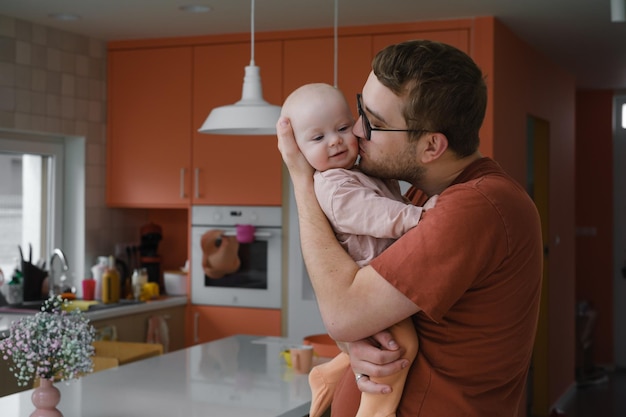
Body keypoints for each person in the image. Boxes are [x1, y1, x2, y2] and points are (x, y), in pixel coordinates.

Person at [277, 39, 543, 416]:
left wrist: (303, 181)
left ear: (432, 146)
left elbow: (343, 313)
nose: (355, 130)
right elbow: (355, 316)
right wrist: (354, 344)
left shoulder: (475, 208)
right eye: (359, 111)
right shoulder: (419, 197)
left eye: (375, 123)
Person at [281, 83, 436, 417]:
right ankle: (375, 413)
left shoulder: (361, 171)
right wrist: (419, 217)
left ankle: (329, 373)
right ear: (299, 153)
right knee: (401, 347)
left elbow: (390, 204)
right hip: (369, 282)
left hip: (380, 278)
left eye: (341, 128)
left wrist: (412, 208)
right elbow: (372, 214)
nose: (335, 141)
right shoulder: (333, 184)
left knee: (382, 346)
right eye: (317, 138)